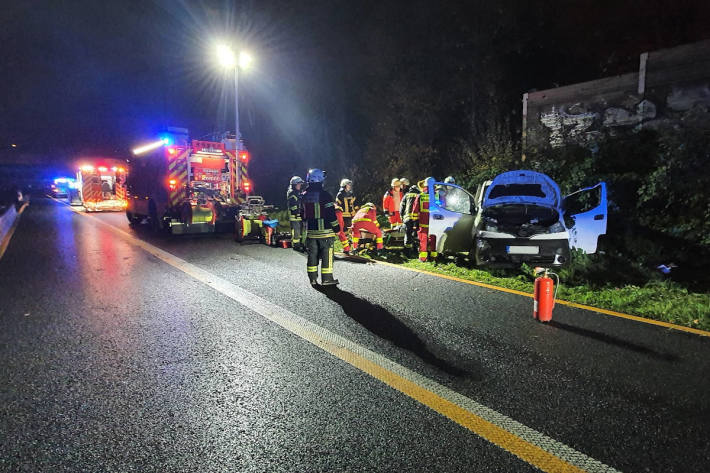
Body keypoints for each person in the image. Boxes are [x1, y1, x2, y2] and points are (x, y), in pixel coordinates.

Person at [301, 168, 340, 286]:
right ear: (320, 180)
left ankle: (312, 279)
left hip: (311, 232)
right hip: (325, 232)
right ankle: (327, 279)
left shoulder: (304, 196)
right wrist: (337, 228)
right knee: (327, 255)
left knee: (312, 255)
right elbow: (331, 214)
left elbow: (302, 215)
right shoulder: (325, 195)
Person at [413, 177, 437, 262]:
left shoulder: (420, 196)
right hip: (435, 222)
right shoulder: (438, 196)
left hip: (423, 222)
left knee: (423, 239)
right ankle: (433, 256)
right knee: (434, 238)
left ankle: (423, 258)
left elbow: (415, 210)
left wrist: (415, 223)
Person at [400, 182, 420, 254]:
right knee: (416, 234)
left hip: (407, 218)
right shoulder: (419, 195)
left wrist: (402, 217)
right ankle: (416, 250)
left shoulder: (406, 195)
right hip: (417, 219)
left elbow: (401, 207)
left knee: (408, 234)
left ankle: (407, 251)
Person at [287, 176, 306, 251]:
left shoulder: (297, 192)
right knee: (296, 231)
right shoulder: (292, 193)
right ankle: (296, 245)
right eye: (299, 184)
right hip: (294, 216)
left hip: (299, 215)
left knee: (301, 231)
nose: (300, 185)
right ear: (294, 185)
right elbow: (293, 205)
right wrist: (297, 212)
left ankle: (300, 243)